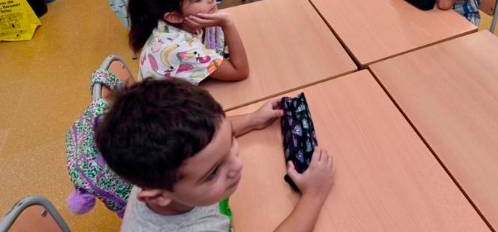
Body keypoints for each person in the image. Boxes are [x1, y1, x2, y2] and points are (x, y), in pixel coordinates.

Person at [95, 78, 335, 232]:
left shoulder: (158, 171)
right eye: (212, 173)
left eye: (230, 141)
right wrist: (314, 194)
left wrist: (252, 119)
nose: (237, 166)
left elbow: (207, 142)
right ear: (158, 196)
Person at [128, 0, 249, 84]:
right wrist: (228, 23)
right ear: (174, 17)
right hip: (167, 102)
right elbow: (239, 71)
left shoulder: (179, 24)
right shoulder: (181, 48)